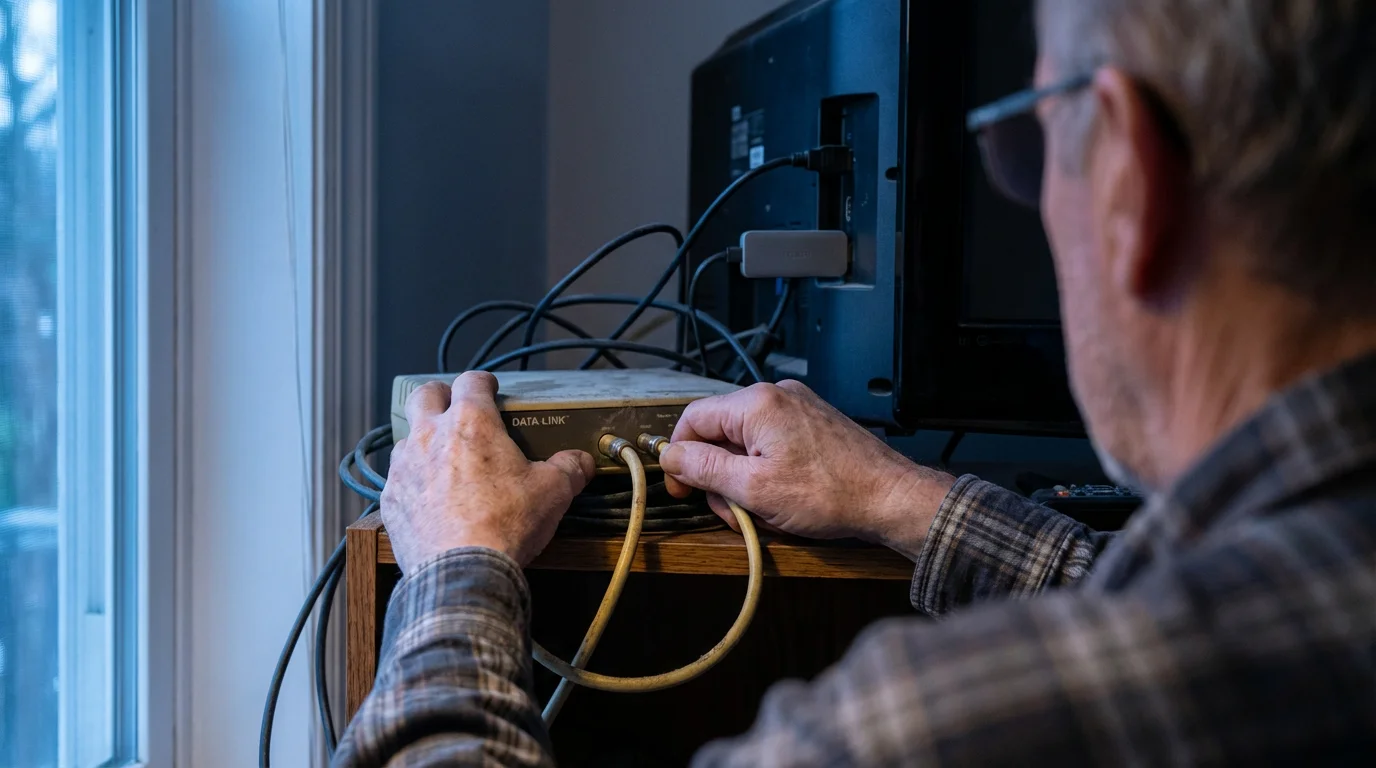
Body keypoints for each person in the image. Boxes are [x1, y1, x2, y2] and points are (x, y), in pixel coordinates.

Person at [334, 0, 1376, 764]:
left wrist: (456, 574)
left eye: (1029, 144)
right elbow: (1191, 606)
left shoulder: (907, 730)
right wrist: (899, 497)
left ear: (1124, 178)